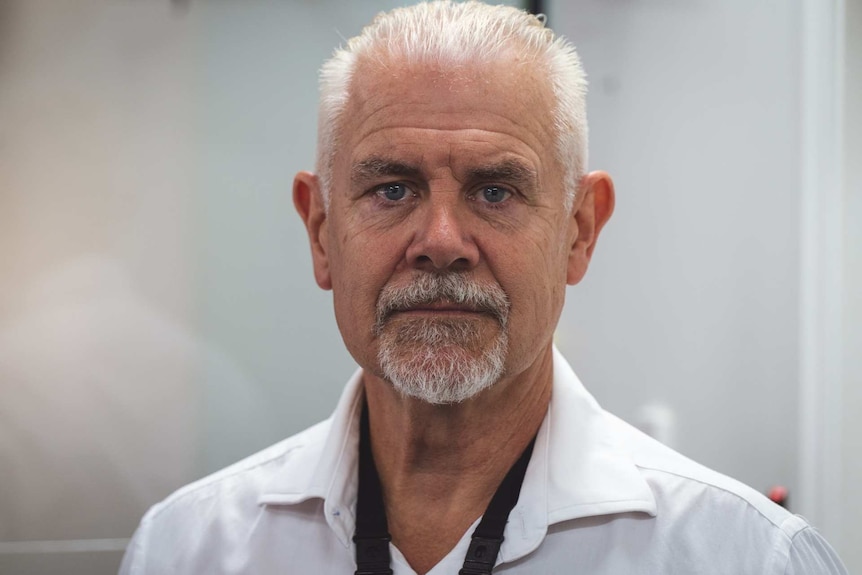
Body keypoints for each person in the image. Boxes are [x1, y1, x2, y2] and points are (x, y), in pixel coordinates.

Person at [119, 2, 848, 574]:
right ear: (319, 232)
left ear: (579, 231)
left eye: (494, 190)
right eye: (393, 187)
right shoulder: (189, 550)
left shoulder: (744, 558)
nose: (440, 242)